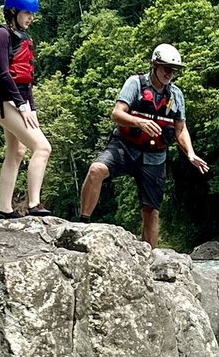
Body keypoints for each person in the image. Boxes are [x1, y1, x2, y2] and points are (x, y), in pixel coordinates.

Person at [78, 43, 209, 246]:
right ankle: (82, 224)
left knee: (151, 210)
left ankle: (150, 258)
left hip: (155, 156)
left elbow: (180, 129)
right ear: (154, 65)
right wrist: (139, 121)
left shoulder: (176, 95)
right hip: (124, 147)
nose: (169, 74)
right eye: (166, 68)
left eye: (173, 70)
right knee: (96, 170)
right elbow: (117, 113)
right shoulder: (135, 84)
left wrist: (190, 153)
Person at [0, 0, 52, 219]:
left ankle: (5, 210)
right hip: (7, 102)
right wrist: (21, 105)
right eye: (26, 13)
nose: (30, 18)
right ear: (13, 12)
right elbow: (3, 74)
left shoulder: (23, 36)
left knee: (17, 150)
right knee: (42, 147)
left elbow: (26, 79)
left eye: (32, 14)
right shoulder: (0, 35)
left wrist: (31, 107)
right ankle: (34, 204)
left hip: (19, 101)